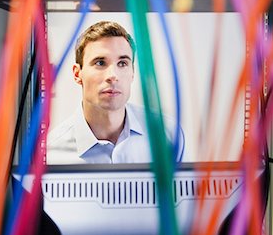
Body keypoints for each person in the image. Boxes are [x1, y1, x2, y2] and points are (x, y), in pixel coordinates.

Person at [47, 20, 185, 164]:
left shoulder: (168, 135)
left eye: (122, 63)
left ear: (132, 72)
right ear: (77, 74)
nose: (113, 75)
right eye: (100, 63)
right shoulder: (51, 153)